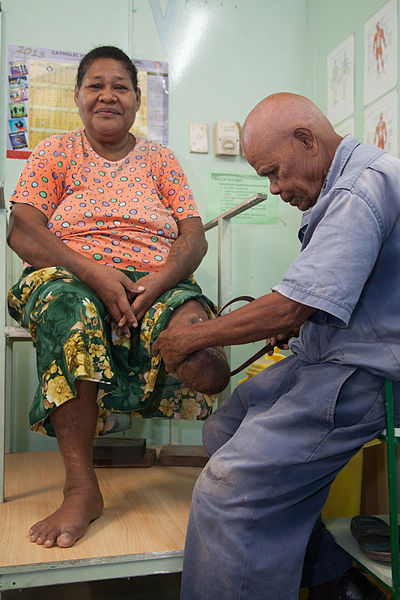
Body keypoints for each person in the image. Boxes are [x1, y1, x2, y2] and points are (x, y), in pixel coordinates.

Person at [154, 92, 395, 599]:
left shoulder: (360, 190)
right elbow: (318, 298)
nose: (276, 188)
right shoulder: (342, 186)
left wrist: (194, 337)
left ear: (307, 139)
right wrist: (304, 320)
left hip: (365, 374)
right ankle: (328, 578)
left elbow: (288, 305)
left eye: (276, 173)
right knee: (224, 426)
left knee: (227, 490)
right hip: (328, 356)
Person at [7, 45, 230, 549]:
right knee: (74, 311)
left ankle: (229, 476)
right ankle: (81, 487)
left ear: (136, 100)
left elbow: (193, 238)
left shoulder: (159, 159)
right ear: (79, 96)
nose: (108, 95)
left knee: (208, 361)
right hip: (67, 276)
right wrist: (96, 274)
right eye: (95, 85)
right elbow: (23, 231)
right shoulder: (54, 152)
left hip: (156, 278)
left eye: (120, 87)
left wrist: (159, 282)